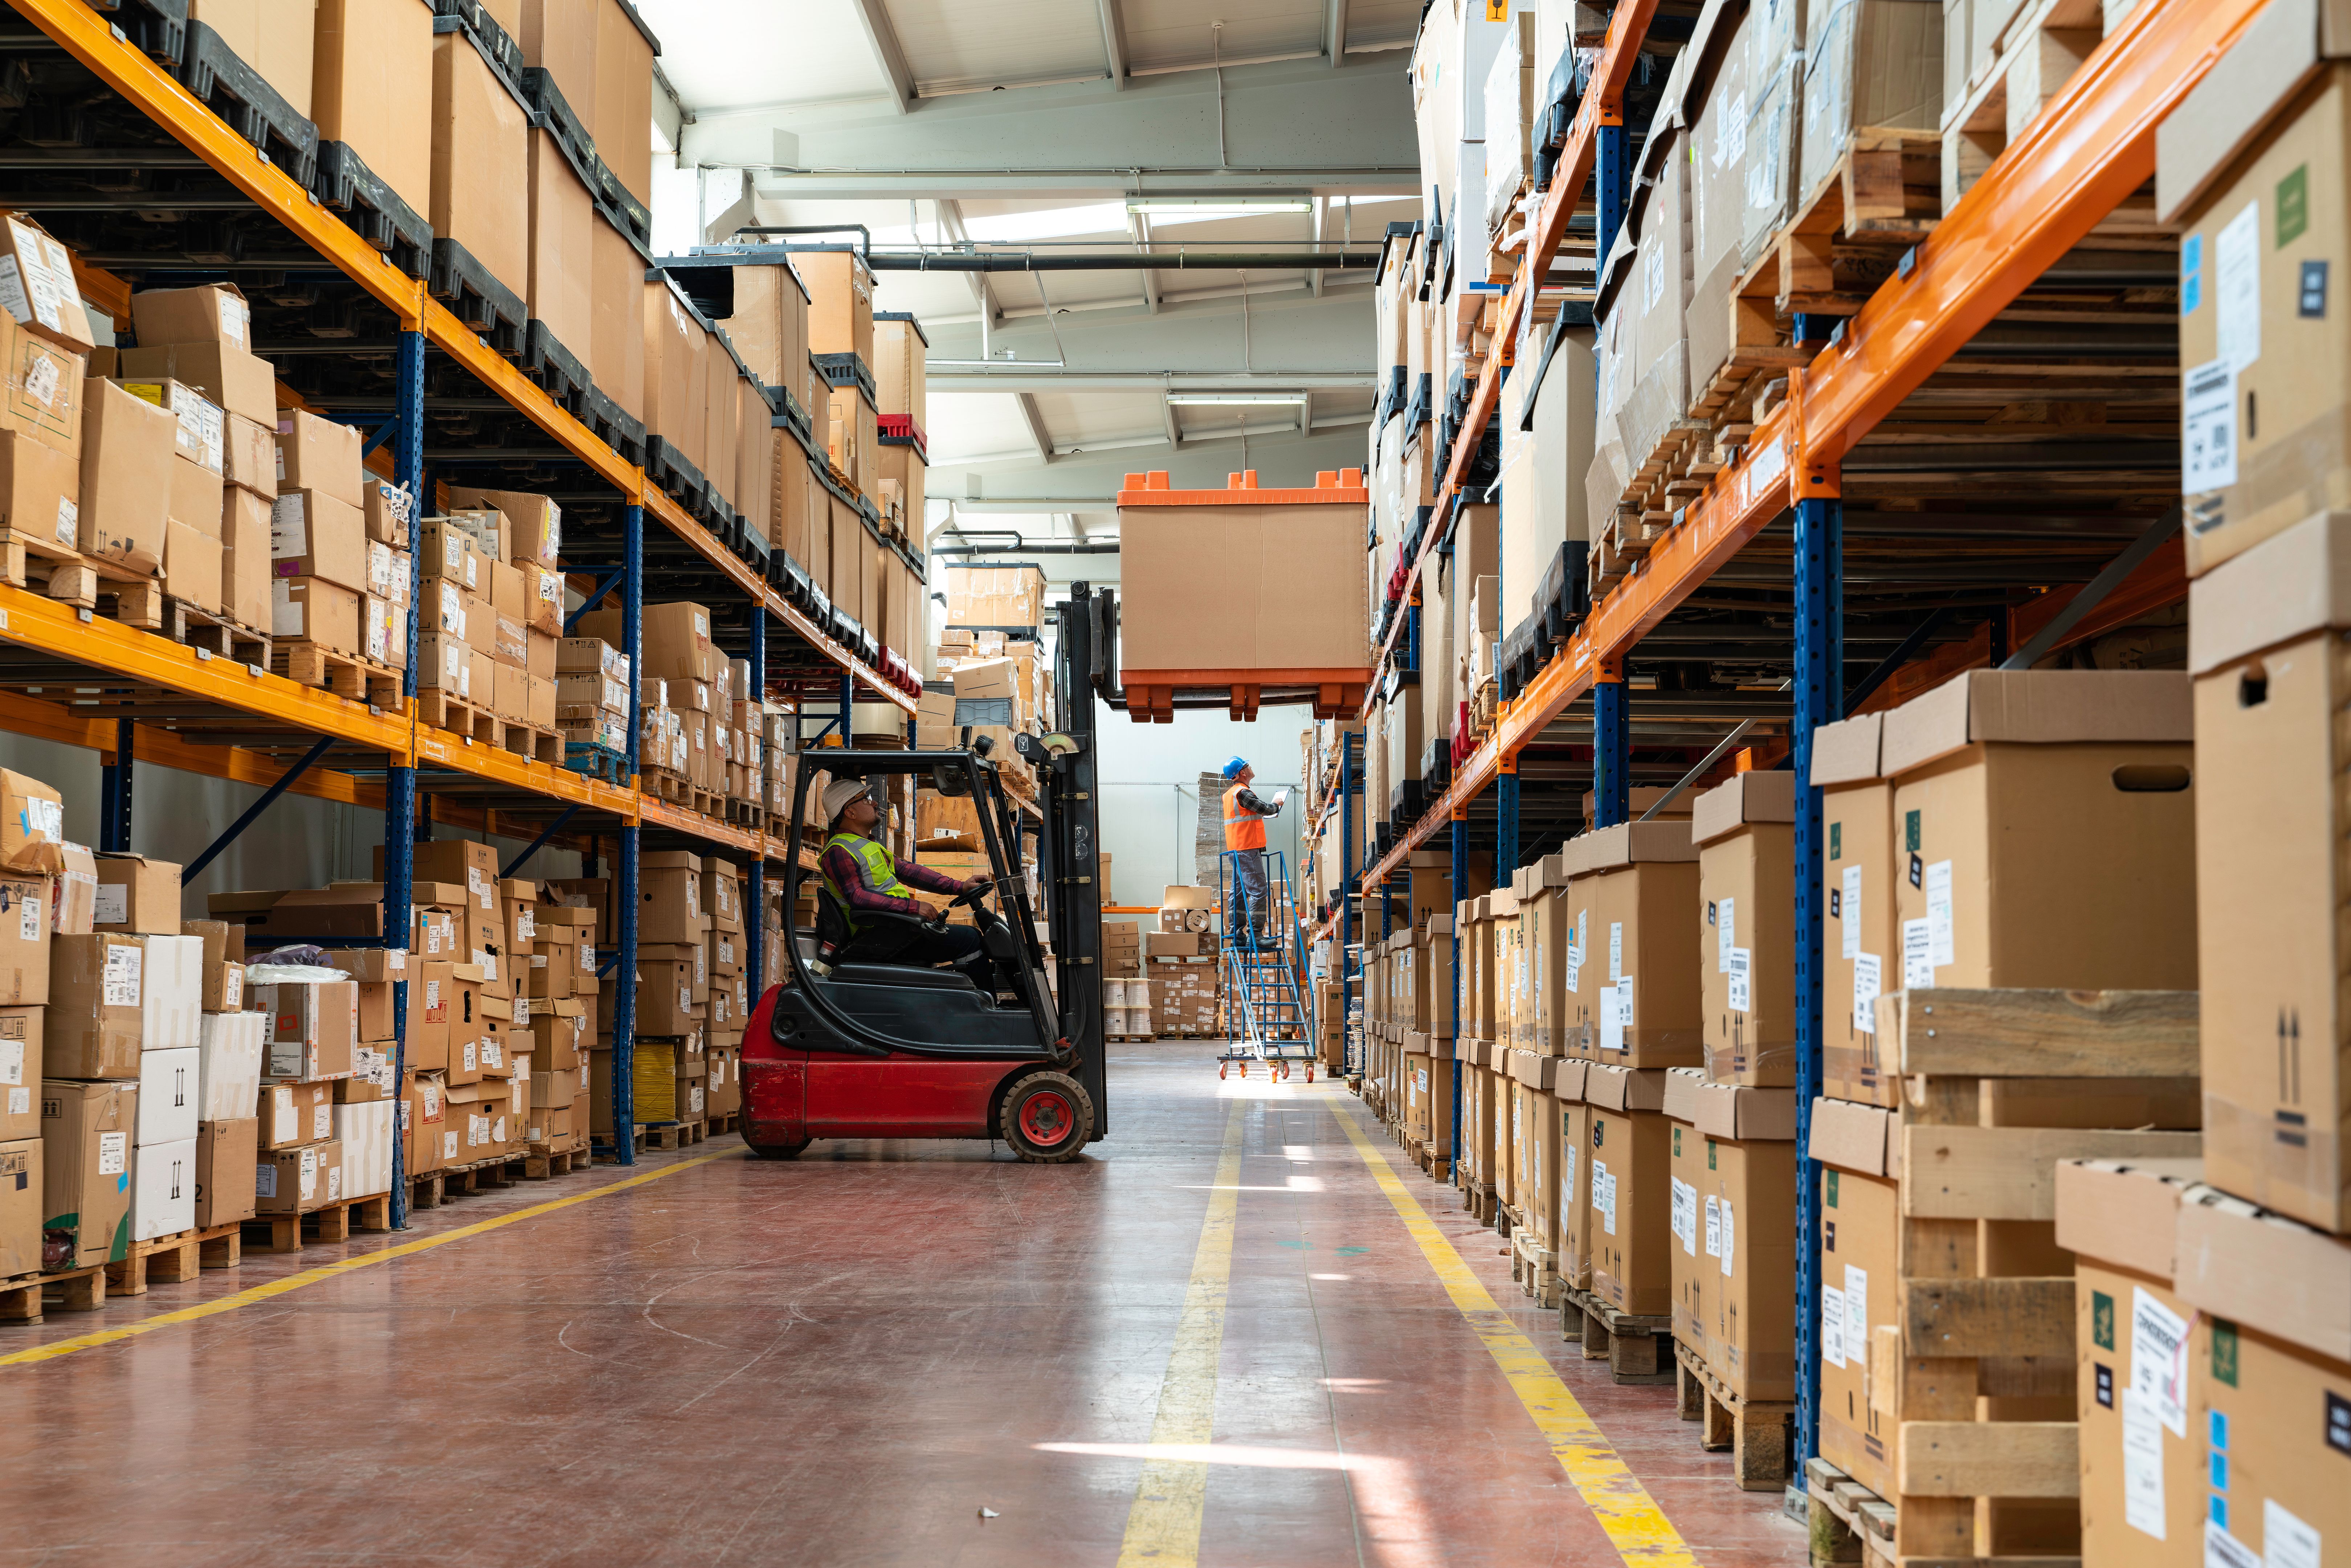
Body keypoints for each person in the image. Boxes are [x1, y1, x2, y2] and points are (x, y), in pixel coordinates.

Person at [816, 777, 1027, 1001]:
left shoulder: (867, 846)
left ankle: (975, 1003)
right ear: (850, 812)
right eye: (866, 799)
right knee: (969, 939)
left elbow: (911, 872)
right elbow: (857, 897)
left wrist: (961, 887)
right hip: (876, 936)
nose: (875, 803)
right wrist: (913, 907)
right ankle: (986, 1008)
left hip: (893, 928)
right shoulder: (838, 852)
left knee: (972, 935)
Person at [1219, 756, 1286, 950]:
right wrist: (1277, 804)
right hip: (1247, 849)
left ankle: (1237, 934)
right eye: (1247, 766)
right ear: (1242, 773)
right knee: (1258, 890)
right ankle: (1256, 935)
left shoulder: (1230, 794)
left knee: (1238, 893)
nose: (1250, 768)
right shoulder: (1243, 793)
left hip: (1236, 850)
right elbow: (1264, 808)